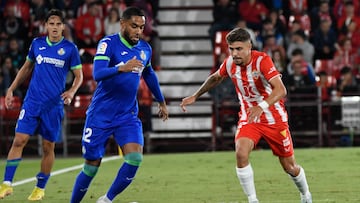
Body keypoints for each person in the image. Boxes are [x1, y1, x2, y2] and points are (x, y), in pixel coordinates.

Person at [180, 28, 312, 203]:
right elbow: (215, 78)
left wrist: (261, 106)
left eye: (239, 49)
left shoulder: (262, 61)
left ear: (249, 46)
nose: (234, 53)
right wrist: (195, 96)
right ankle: (252, 200)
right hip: (250, 118)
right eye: (232, 49)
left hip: (275, 119)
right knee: (241, 154)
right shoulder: (229, 63)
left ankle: (305, 195)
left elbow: (281, 90)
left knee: (289, 166)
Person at [70, 7, 168, 203]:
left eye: (141, 27)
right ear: (122, 24)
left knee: (135, 158)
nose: (138, 31)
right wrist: (121, 67)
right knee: (91, 165)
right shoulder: (108, 43)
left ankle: (107, 199)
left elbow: (149, 74)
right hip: (101, 115)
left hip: (127, 115)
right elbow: (97, 73)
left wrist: (161, 100)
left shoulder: (144, 49)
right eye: (134, 26)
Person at [0, 9, 83, 201]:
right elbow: (26, 68)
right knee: (19, 140)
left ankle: (40, 188)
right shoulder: (37, 44)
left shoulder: (70, 49)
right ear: (46, 25)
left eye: (58, 24)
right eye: (51, 23)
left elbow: (79, 76)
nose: (54, 27)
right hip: (32, 102)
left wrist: (71, 91)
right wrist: (11, 89)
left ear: (63, 26)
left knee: (48, 147)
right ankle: (6, 184)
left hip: (53, 106)